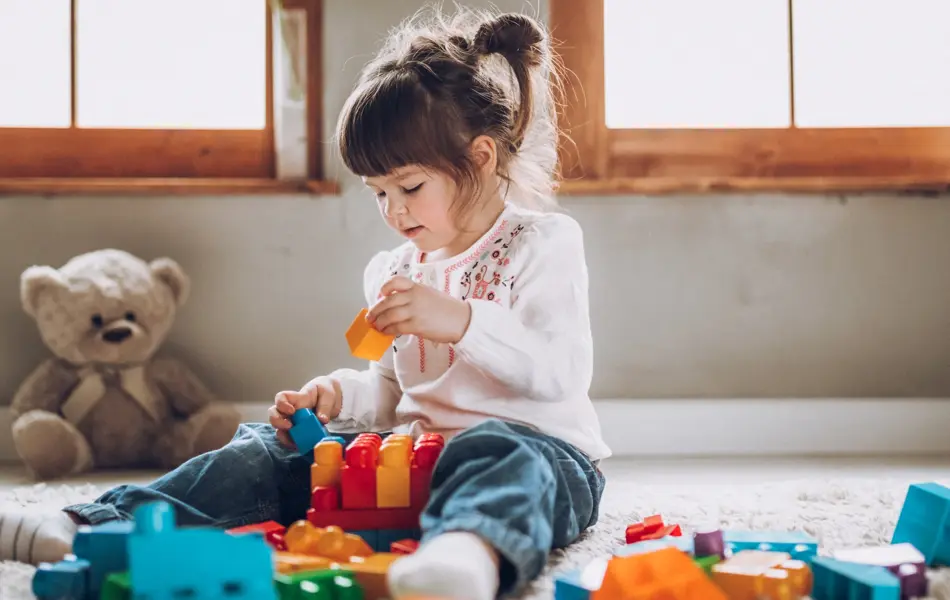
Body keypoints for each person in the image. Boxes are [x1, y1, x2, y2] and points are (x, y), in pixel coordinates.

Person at [0, 7, 610, 599]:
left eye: (410, 187)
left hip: (540, 459)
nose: (393, 211)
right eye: (377, 192)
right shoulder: (393, 270)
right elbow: (392, 394)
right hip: (414, 466)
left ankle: (465, 557)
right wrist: (340, 396)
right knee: (265, 451)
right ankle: (85, 526)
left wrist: (461, 320)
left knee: (500, 452)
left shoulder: (541, 243)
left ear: (479, 157)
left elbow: (557, 374)